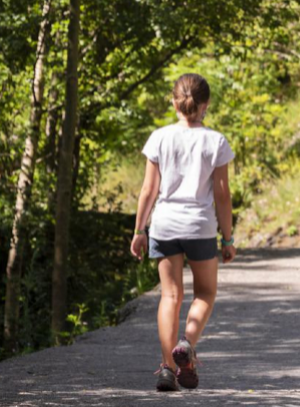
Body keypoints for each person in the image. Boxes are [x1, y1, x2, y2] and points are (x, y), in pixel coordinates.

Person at [130, 73, 237, 392]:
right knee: (205, 293)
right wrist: (227, 239)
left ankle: (166, 368)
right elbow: (222, 194)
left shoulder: (159, 138)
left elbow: (148, 189)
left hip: (164, 225)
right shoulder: (215, 141)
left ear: (174, 102)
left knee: (170, 296)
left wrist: (139, 230)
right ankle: (186, 344)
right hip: (199, 226)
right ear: (205, 104)